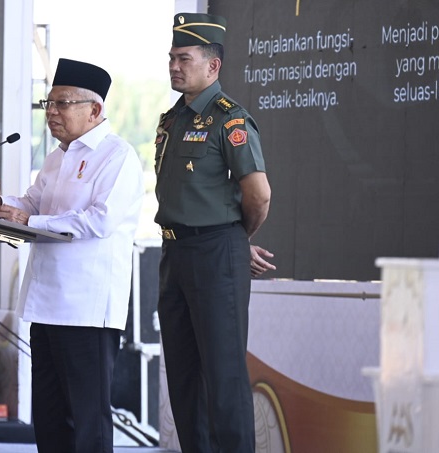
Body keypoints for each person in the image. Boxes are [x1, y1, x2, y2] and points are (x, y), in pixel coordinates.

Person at [0, 58, 144, 453]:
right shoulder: (57, 157)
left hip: (87, 308)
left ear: (95, 110)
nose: (51, 112)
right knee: (51, 416)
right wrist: (4, 205)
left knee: (87, 418)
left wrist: (31, 217)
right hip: (46, 302)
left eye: (62, 104)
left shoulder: (117, 157)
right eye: (47, 104)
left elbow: (98, 222)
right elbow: (34, 203)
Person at [154, 13, 273, 453]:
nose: (173, 66)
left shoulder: (230, 119)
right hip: (174, 255)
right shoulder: (172, 119)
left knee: (223, 377)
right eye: (171, 58)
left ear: (213, 66)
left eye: (184, 58)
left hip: (216, 252)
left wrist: (235, 240)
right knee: (184, 378)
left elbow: (258, 195)